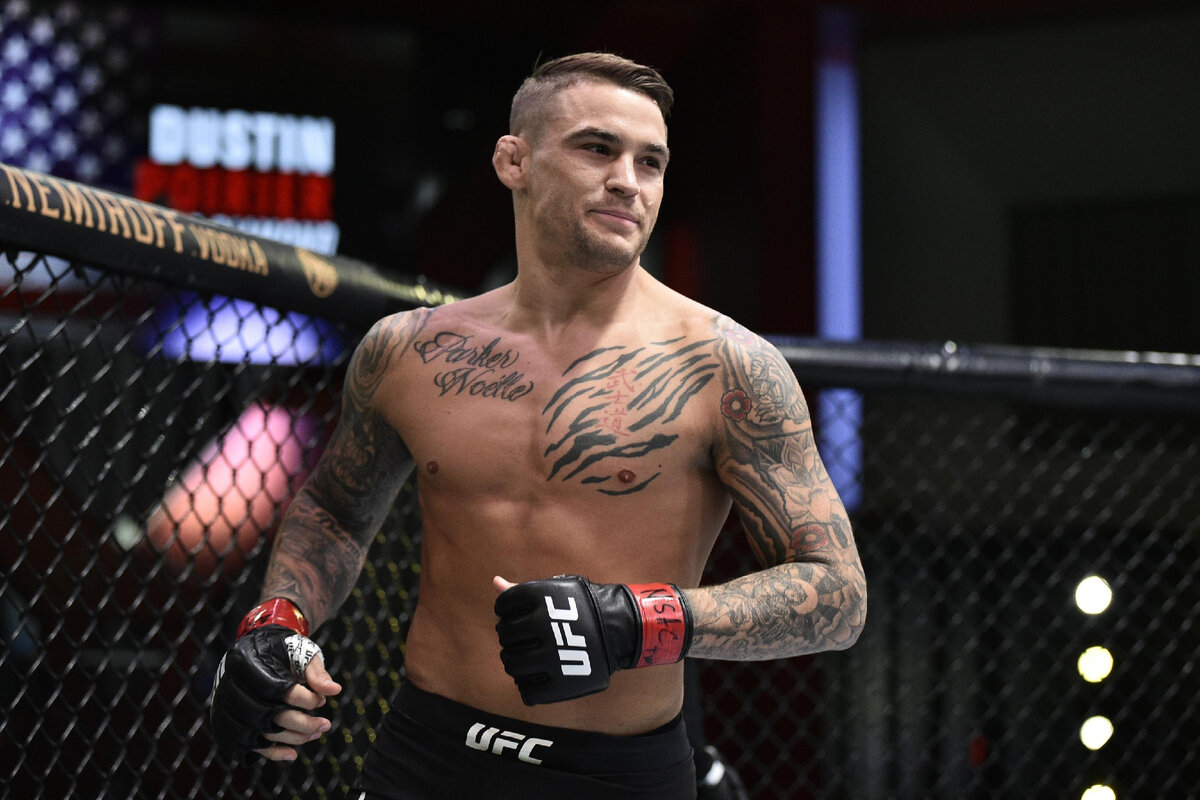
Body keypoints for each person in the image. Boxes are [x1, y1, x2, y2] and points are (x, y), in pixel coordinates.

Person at [208, 52, 866, 799]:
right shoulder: (409, 351)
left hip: (614, 777)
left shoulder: (727, 365)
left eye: (650, 162)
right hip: (423, 757)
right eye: (598, 148)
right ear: (513, 161)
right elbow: (334, 511)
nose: (628, 180)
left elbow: (837, 595)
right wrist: (277, 621)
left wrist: (639, 621)